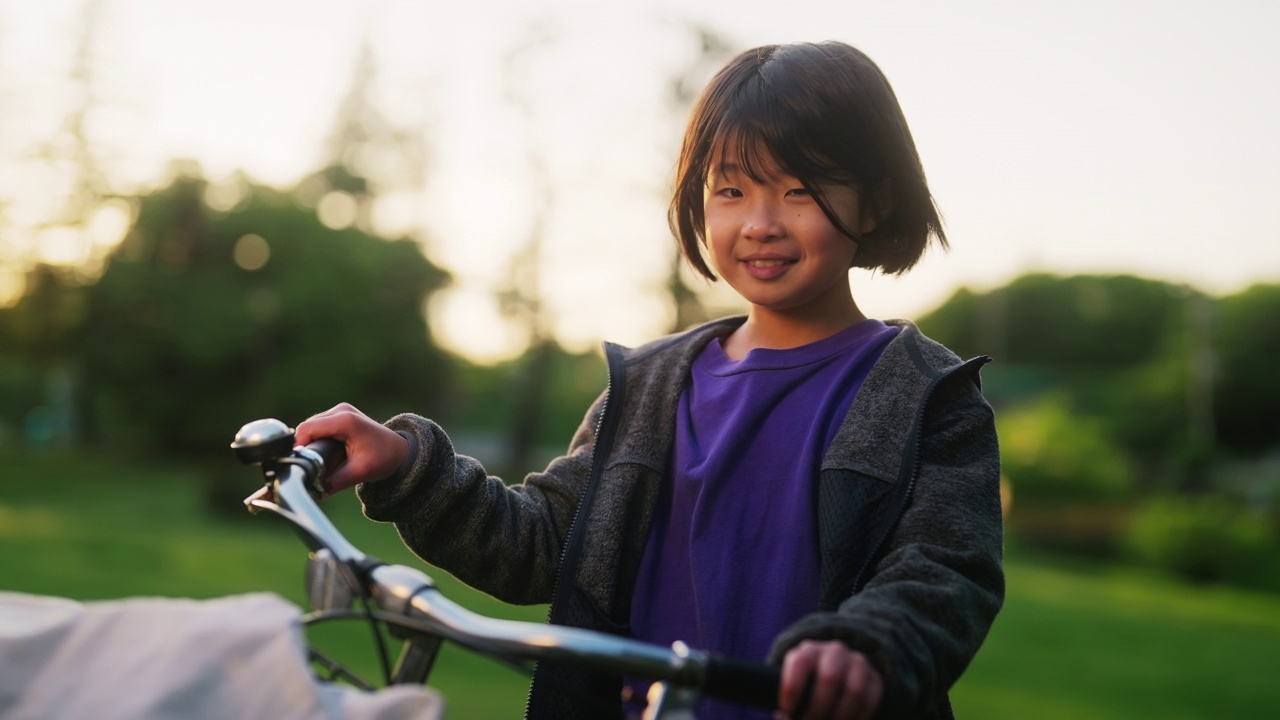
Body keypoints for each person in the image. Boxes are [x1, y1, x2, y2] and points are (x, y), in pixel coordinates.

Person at [297, 40, 1004, 720]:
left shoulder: (924, 397)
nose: (759, 223)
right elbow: (541, 543)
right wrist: (408, 465)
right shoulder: (649, 386)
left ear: (875, 203)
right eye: (731, 189)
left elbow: (945, 571)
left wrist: (868, 646)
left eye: (800, 190)